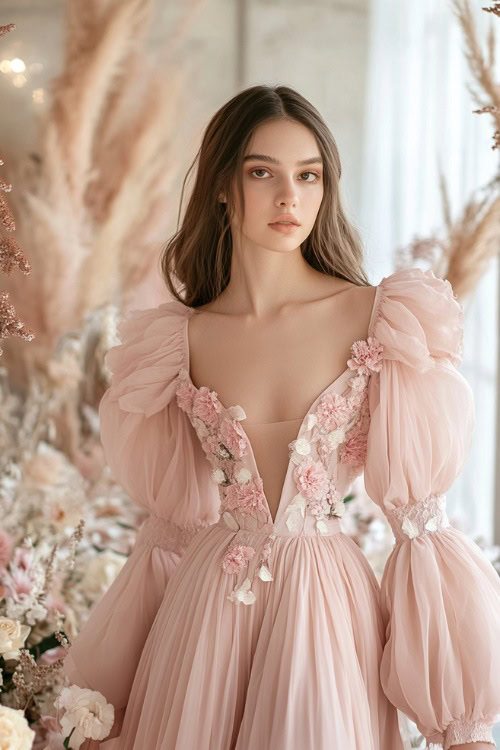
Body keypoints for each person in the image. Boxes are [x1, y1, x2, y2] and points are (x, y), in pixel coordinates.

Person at [62, 84, 500, 750]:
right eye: (261, 172)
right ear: (221, 186)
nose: (289, 197)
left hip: (324, 610)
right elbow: (165, 537)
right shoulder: (177, 340)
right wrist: (106, 700)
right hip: (203, 613)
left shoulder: (380, 318)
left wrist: (461, 723)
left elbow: (420, 526)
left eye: (308, 175)